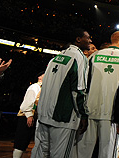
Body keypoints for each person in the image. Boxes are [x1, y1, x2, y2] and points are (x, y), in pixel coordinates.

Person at [32, 29, 91, 158]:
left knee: (40, 154)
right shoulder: (79, 57)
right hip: (63, 119)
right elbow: (78, 90)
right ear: (78, 39)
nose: (90, 40)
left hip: (44, 115)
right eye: (87, 37)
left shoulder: (57, 57)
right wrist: (83, 115)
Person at [79, 30, 119, 158]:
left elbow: (84, 82)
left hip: (90, 110)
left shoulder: (95, 56)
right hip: (111, 113)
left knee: (83, 151)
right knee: (108, 152)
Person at [12, 71, 44, 158]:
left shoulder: (44, 88)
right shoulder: (34, 87)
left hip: (35, 117)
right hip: (26, 116)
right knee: (21, 141)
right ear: (39, 77)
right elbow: (27, 103)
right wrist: (29, 115)